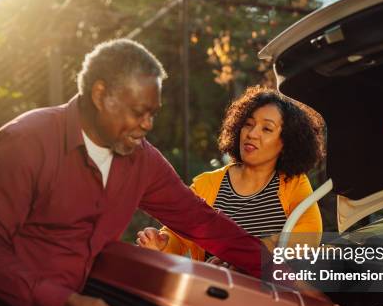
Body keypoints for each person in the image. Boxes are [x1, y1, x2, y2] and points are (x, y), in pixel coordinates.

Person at [0, 39, 264, 306]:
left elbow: (202, 221)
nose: (147, 125)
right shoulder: (26, 142)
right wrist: (65, 302)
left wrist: (277, 270)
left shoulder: (142, 160)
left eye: (153, 113)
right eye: (139, 111)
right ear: (100, 95)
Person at [137, 86, 324, 265]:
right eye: (248, 124)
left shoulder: (294, 184)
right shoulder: (206, 184)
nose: (252, 133)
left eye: (266, 129)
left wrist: (244, 258)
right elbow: (178, 234)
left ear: (286, 142)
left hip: (271, 295)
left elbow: (308, 236)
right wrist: (162, 244)